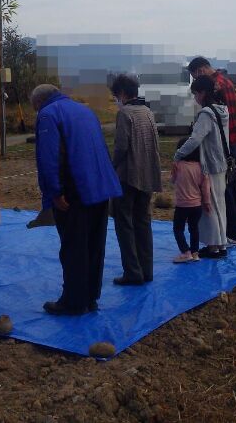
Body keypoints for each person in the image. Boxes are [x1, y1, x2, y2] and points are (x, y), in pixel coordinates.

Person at [32, 84, 122, 315]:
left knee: (73, 246)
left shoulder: (48, 114)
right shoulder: (85, 111)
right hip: (100, 186)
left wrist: (54, 191)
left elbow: (49, 157)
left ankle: (73, 301)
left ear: (38, 103)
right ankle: (90, 297)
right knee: (94, 244)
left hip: (75, 190)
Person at [109, 73, 162, 286]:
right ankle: (146, 269)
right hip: (147, 174)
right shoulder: (147, 112)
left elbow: (121, 147)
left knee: (124, 224)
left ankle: (132, 271)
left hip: (128, 177)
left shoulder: (125, 114)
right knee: (143, 221)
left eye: (116, 95)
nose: (116, 99)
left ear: (121, 93)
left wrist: (111, 168)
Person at [188, 56, 236, 246]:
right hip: (234, 143)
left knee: (223, 194)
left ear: (201, 70)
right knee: (233, 191)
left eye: (195, 77)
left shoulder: (217, 86)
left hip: (225, 148)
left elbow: (218, 120)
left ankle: (228, 235)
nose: (196, 81)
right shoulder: (226, 81)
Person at [173, 75, 229, 258]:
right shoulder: (222, 110)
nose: (195, 97)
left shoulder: (206, 114)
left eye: (196, 93)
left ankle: (213, 247)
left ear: (203, 93)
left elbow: (195, 139)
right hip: (222, 163)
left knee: (209, 207)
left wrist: (179, 154)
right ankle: (221, 244)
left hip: (211, 164)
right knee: (220, 205)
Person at [170, 135, 212, 263]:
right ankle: (195, 253)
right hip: (197, 205)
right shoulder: (201, 167)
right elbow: (205, 187)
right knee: (194, 228)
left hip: (182, 205)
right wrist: (207, 202)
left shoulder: (178, 165)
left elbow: (173, 181)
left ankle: (185, 251)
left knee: (178, 229)